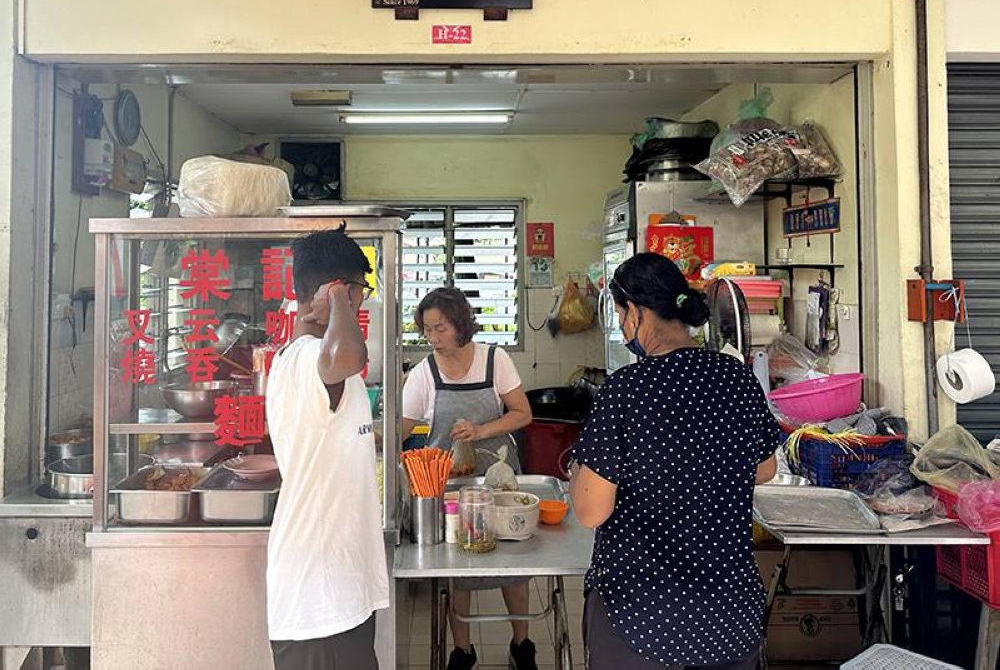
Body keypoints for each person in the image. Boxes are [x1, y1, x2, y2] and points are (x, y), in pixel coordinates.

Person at [570, 252, 780, 670]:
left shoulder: (627, 389)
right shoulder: (735, 377)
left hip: (642, 612)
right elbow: (765, 468)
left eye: (619, 313)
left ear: (636, 311)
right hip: (728, 613)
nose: (621, 325)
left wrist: (579, 470)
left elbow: (592, 510)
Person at [266, 228, 390, 670]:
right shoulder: (306, 358)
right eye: (360, 289)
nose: (362, 300)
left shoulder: (309, 358)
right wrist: (339, 299)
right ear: (341, 288)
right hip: (319, 596)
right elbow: (346, 358)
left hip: (336, 590)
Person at [401, 286, 537, 670]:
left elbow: (522, 413)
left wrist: (480, 430)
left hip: (498, 479)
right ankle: (463, 651)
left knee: (513, 566)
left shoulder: (495, 360)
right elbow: (403, 425)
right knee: (456, 571)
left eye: (440, 328)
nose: (433, 338)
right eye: (427, 330)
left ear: (461, 324)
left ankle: (521, 645)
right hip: (448, 484)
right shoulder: (424, 372)